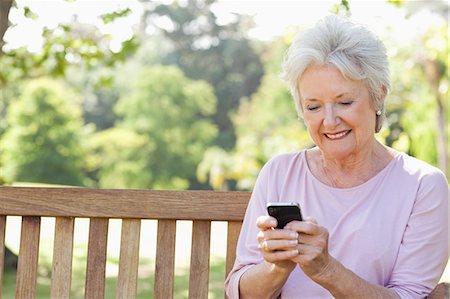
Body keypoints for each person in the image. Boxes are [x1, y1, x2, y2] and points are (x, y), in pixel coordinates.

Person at [225, 15, 449, 299]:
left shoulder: (423, 185)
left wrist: (326, 270)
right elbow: (239, 293)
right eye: (314, 106)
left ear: (378, 96)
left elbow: (410, 296)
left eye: (344, 102)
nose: (329, 121)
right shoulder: (279, 172)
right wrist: (276, 267)